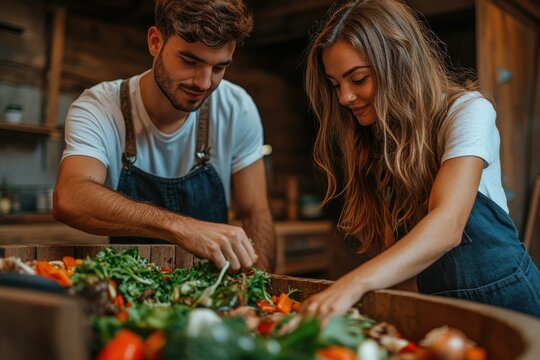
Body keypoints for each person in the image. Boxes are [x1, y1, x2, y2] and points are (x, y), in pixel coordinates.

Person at [302, 0, 540, 319]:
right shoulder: (381, 142)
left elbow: (447, 225)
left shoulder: (467, 111)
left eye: (358, 79)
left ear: (398, 63)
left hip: (511, 301)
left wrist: (352, 284)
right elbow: (401, 262)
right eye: (336, 85)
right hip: (444, 310)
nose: (344, 97)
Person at [52, 0, 275, 272]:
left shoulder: (237, 108)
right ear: (156, 42)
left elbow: (256, 214)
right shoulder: (98, 107)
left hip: (212, 298)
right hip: (132, 294)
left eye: (218, 68)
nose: (204, 83)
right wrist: (181, 227)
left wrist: (257, 294)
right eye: (190, 61)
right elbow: (70, 197)